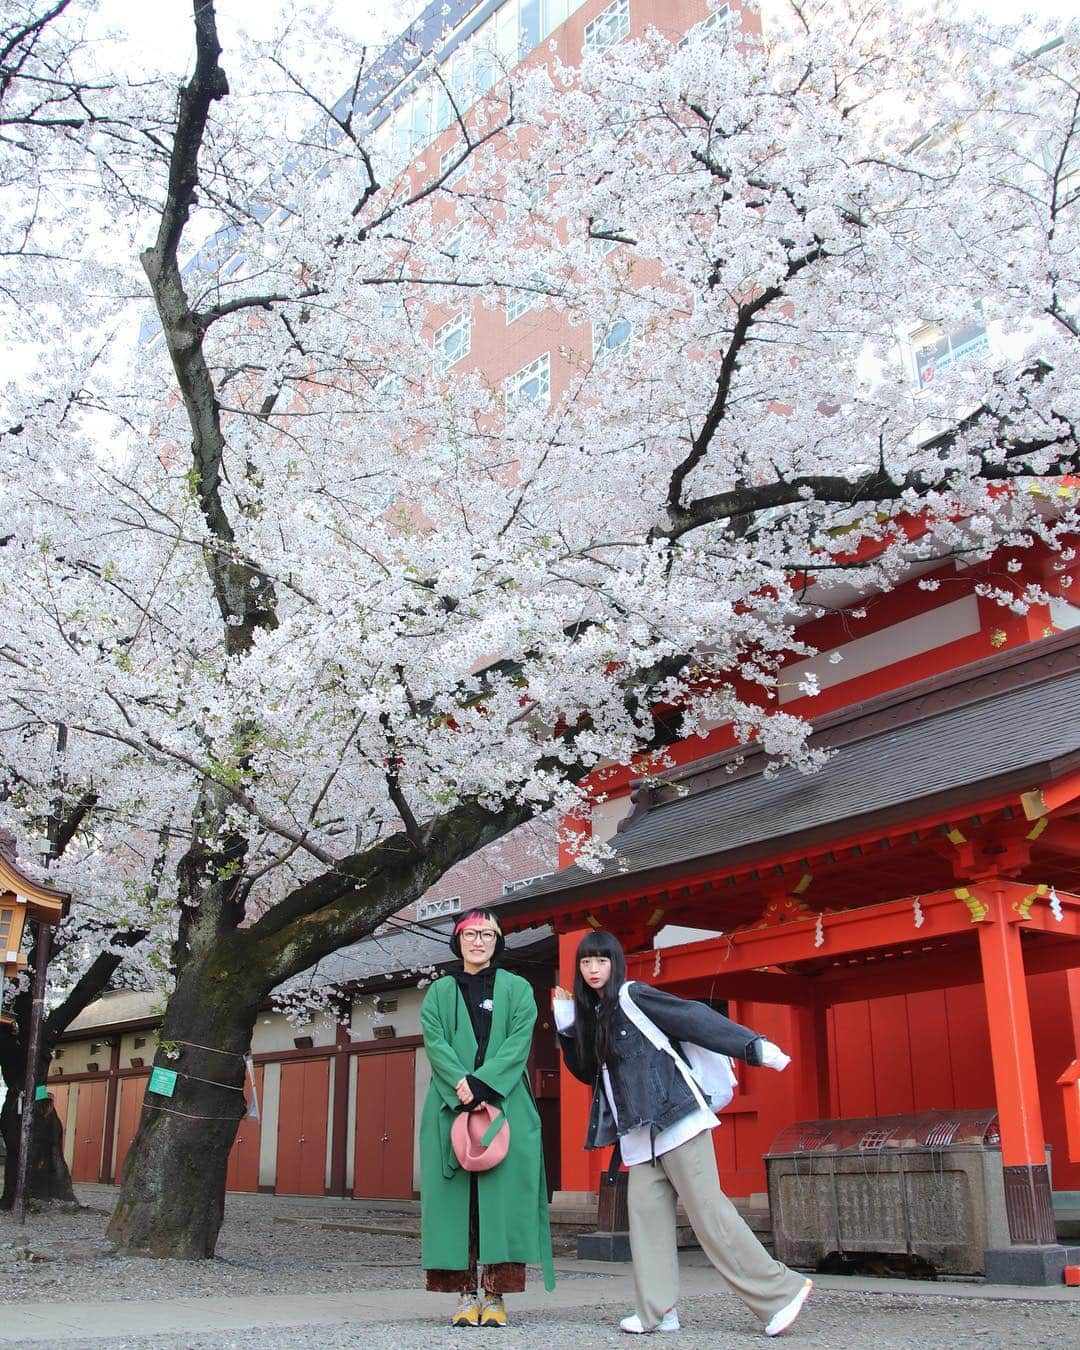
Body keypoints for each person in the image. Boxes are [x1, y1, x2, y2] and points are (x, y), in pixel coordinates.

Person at [553, 929, 812, 1338]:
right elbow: (589, 1072)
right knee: (646, 1222)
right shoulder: (597, 1014)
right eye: (586, 962)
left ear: (615, 963)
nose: (593, 969)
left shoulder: (633, 996)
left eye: (601, 960)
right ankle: (658, 1312)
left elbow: (692, 1018)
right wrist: (568, 1030)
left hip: (677, 1119)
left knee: (710, 1215)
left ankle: (780, 1293)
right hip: (638, 1137)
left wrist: (752, 1046)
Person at [420, 908, 555, 1327]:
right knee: (457, 1204)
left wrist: (483, 1084)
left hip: (507, 1101)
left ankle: (495, 1296)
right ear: (457, 940)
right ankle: (464, 1295)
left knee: (502, 1201)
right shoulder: (438, 992)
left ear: (498, 941)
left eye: (487, 934)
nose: (478, 941)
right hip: (449, 1103)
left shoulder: (517, 989)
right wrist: (462, 1085)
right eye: (470, 934)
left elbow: (518, 1042)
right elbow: (435, 1041)